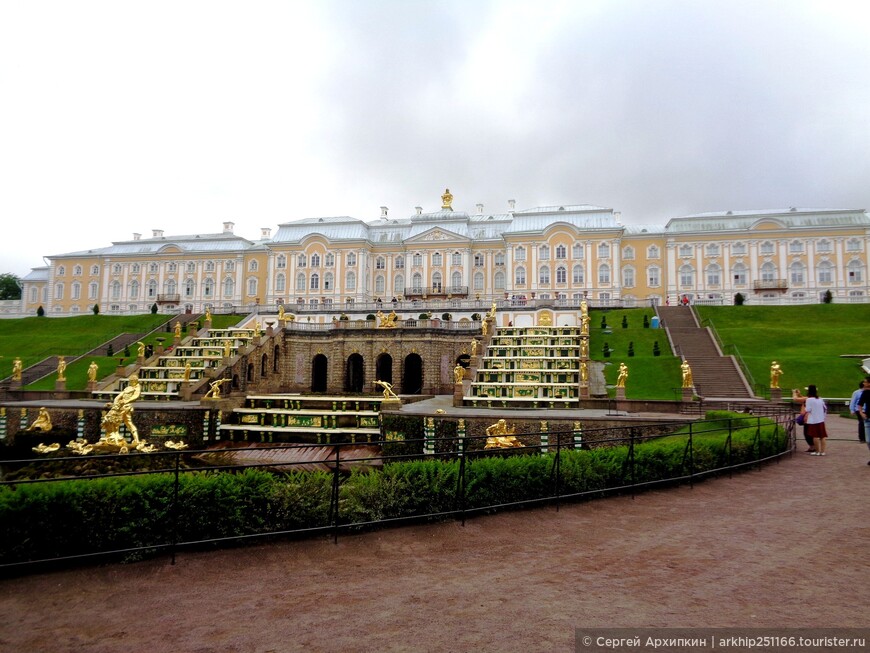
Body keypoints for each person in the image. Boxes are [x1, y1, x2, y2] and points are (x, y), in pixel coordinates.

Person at [804, 384, 828, 456]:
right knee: (822, 436)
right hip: (821, 419)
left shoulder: (808, 400)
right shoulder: (820, 399)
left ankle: (817, 451)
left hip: (813, 420)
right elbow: (825, 408)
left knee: (815, 436)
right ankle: (822, 451)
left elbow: (808, 409)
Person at [792, 388, 815, 452]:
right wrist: (799, 395)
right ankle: (812, 446)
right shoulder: (813, 399)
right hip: (812, 418)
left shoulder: (808, 399)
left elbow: (795, 399)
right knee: (810, 433)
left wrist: (794, 393)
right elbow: (804, 399)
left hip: (807, 418)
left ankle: (812, 447)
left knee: (807, 433)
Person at [848, 377, 870, 442]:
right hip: (859, 410)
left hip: (866, 410)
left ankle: (865, 437)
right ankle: (862, 437)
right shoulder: (857, 392)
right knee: (861, 423)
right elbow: (853, 401)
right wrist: (852, 410)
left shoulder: (866, 392)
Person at [854, 383, 870, 465]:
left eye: (865, 382)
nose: (864, 383)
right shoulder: (865, 393)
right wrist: (861, 413)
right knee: (868, 440)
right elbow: (859, 404)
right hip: (868, 418)